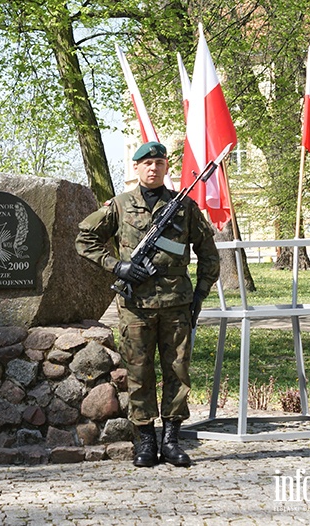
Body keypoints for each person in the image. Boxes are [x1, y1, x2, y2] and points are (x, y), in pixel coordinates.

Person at [75, 141, 219, 468]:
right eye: (146, 163)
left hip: (176, 303)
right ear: (136, 168)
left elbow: (209, 253)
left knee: (177, 371)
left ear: (167, 167)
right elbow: (85, 238)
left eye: (159, 162)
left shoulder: (183, 207)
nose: (153, 168)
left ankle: (171, 440)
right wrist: (117, 266)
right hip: (135, 304)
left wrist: (200, 294)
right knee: (139, 373)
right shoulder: (120, 205)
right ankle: (146, 440)